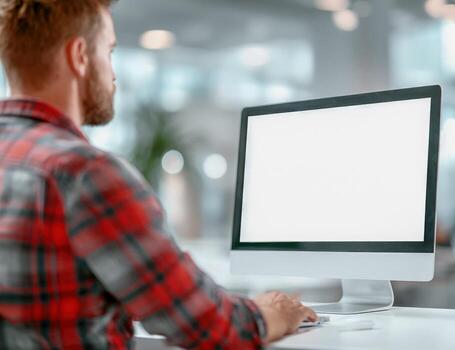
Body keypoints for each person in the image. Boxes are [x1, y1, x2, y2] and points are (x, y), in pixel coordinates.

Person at [0, 0, 317, 349]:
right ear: (79, 56)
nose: (115, 74)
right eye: (109, 51)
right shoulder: (85, 174)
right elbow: (207, 325)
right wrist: (272, 312)